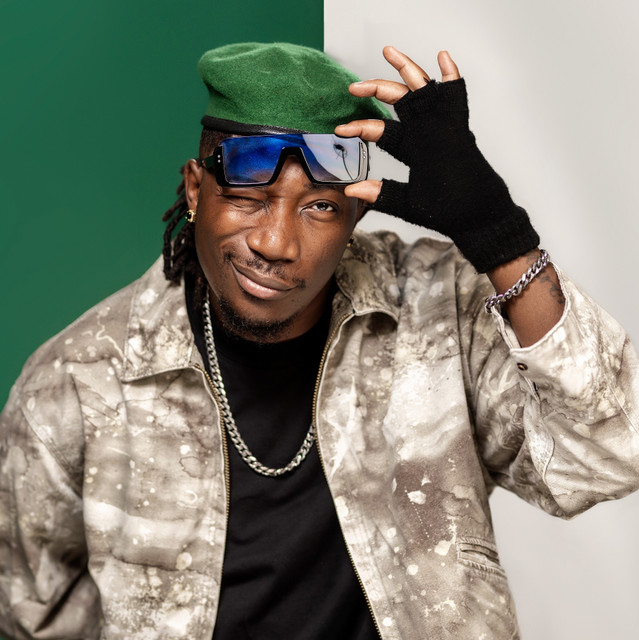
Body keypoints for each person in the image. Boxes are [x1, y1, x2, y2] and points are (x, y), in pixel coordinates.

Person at [1, 41, 637, 640]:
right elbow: (29, 612)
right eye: (248, 196)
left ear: (356, 213)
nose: (275, 243)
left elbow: (610, 455)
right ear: (195, 190)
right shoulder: (81, 379)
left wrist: (501, 237)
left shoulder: (437, 312)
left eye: (319, 207)